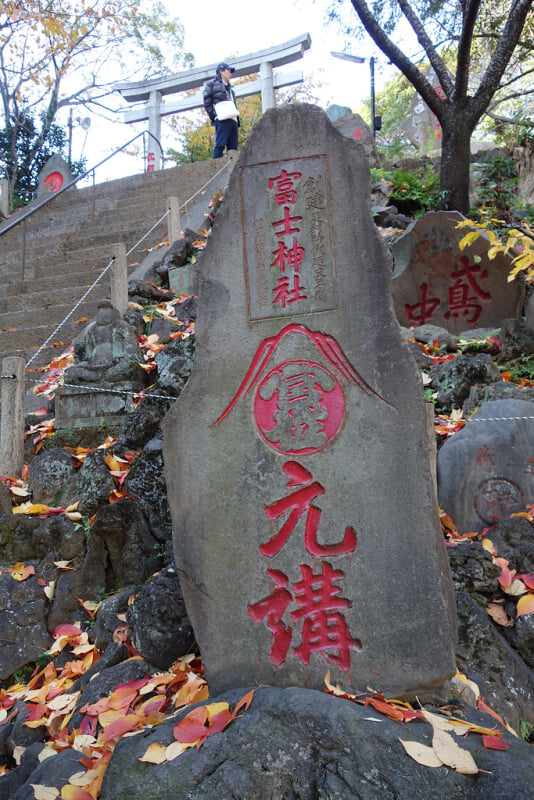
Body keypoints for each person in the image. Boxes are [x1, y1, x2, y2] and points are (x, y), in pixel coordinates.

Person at [203, 62, 240, 159]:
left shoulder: (231, 89)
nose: (230, 73)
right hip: (222, 117)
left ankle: (232, 167)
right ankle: (216, 165)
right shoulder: (212, 84)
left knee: (233, 148)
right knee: (220, 145)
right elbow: (207, 101)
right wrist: (214, 116)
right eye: (229, 71)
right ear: (221, 71)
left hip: (233, 118)